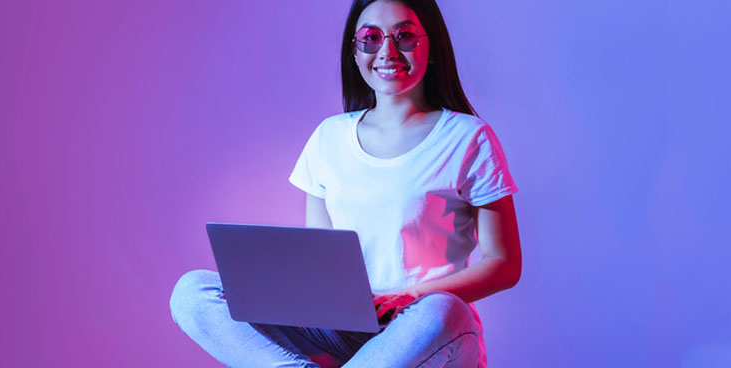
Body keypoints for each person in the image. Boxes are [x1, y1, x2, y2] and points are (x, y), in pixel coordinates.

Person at [170, 0, 522, 366]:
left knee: (445, 311)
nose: (387, 51)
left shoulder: (468, 138)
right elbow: (321, 258)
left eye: (404, 36)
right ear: (354, 51)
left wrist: (411, 295)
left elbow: (504, 264)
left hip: (420, 330)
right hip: (341, 332)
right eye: (370, 38)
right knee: (192, 291)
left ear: (431, 46)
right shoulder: (329, 138)